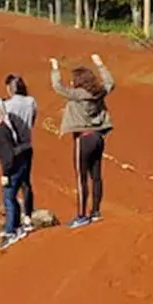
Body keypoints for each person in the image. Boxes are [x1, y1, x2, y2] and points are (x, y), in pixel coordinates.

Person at [52, 54, 115, 229]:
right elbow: (110, 83)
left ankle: (81, 216)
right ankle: (95, 212)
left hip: (83, 139)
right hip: (98, 138)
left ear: (79, 81)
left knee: (81, 178)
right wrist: (100, 64)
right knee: (96, 177)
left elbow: (58, 87)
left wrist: (55, 69)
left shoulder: (77, 94)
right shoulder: (99, 92)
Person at [0, 98, 34, 251]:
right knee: (12, 198)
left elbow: (7, 155)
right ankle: (16, 226)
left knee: (9, 199)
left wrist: (6, 173)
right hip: (20, 165)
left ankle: (11, 231)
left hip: (13, 169)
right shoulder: (5, 127)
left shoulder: (1, 130)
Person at [3, 74, 39, 228]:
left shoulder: (7, 105)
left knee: (10, 183)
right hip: (27, 146)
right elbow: (33, 119)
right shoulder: (31, 102)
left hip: (13, 148)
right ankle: (28, 216)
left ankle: (13, 221)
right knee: (26, 182)